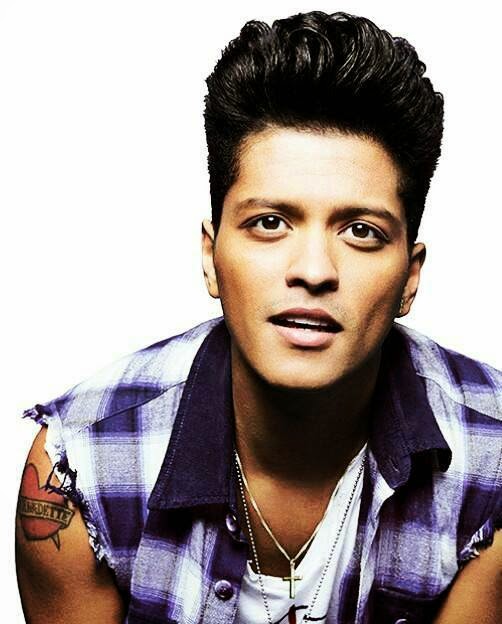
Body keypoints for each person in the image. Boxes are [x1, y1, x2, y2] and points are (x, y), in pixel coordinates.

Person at [15, 10, 501, 624]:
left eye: (361, 231)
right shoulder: (80, 465)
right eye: (270, 223)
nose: (314, 270)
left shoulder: (492, 458)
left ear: (410, 276)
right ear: (211, 258)